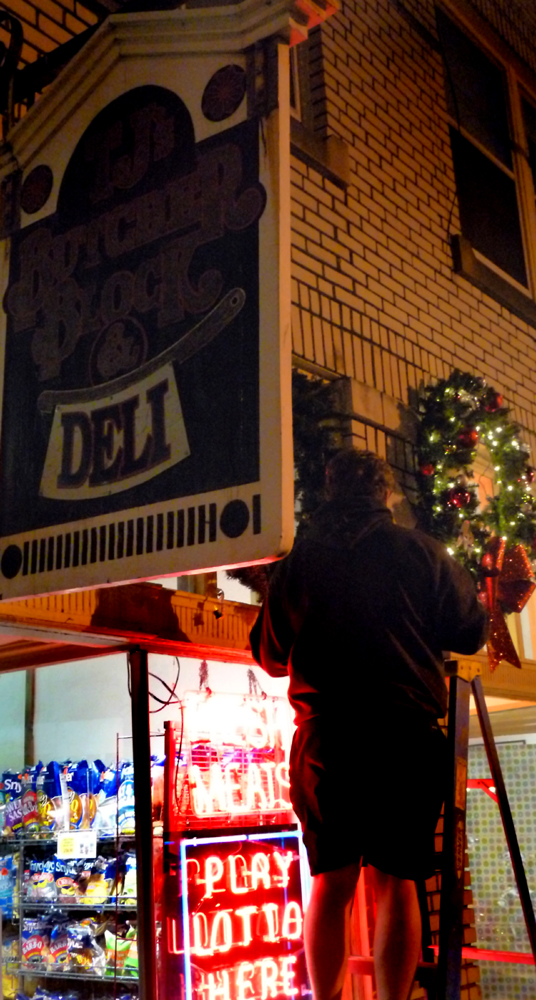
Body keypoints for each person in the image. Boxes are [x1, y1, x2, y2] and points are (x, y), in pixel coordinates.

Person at [249, 448, 487, 1000]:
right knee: (397, 884)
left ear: (328, 492)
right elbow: (469, 631)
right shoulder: (422, 553)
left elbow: (269, 654)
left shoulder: (299, 562)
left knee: (330, 884)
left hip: (328, 739)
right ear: (385, 494)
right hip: (406, 739)